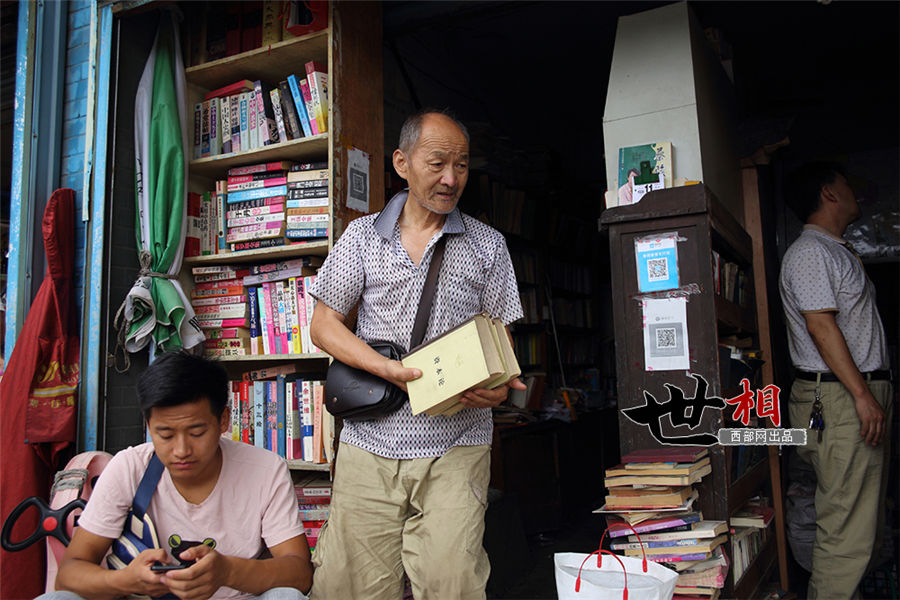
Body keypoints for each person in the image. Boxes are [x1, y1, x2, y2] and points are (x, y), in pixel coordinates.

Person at [308, 108, 526, 599]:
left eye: (463, 166)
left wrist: (497, 386)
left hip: (457, 442)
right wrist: (384, 367)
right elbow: (323, 326)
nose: (452, 178)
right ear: (402, 162)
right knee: (351, 585)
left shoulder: (487, 246)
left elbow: (502, 339)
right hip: (371, 441)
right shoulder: (362, 238)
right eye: (438, 163)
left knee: (453, 582)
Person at [46, 352, 312, 600]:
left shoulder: (265, 470)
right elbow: (68, 575)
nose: (182, 450)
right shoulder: (130, 467)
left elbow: (300, 574)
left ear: (224, 420)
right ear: (147, 425)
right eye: (166, 435)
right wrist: (126, 581)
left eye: (196, 433)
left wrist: (228, 571)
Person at [779, 161, 893, 599]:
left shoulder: (833, 249)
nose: (854, 192)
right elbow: (821, 327)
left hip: (849, 395)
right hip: (842, 397)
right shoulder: (811, 252)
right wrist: (862, 395)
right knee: (846, 532)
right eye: (847, 184)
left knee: (858, 526)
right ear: (829, 194)